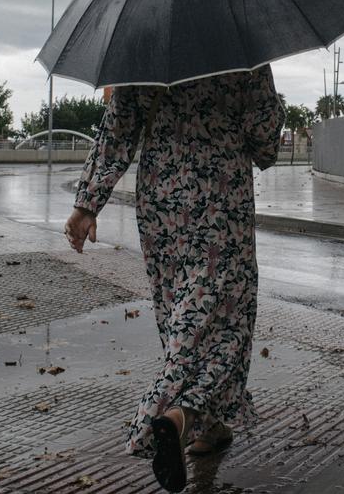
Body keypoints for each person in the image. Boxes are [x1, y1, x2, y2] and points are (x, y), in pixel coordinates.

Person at [64, 65, 285, 492]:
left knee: (179, 310)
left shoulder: (145, 47)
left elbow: (117, 130)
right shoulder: (240, 44)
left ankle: (209, 426)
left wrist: (87, 204)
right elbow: (264, 138)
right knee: (225, 320)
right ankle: (172, 415)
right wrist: (272, 112)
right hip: (222, 193)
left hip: (161, 196)